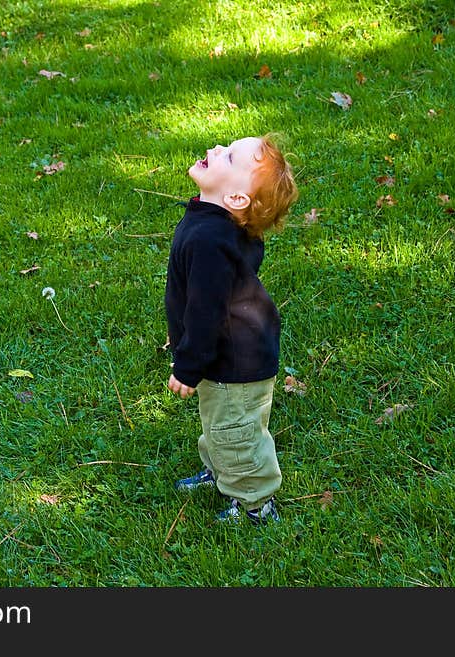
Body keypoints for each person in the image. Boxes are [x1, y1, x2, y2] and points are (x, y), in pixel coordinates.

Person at [164, 134, 299, 525]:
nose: (214, 150)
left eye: (229, 155)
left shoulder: (211, 239)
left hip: (234, 361)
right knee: (218, 422)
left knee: (235, 432)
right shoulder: (214, 222)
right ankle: (221, 472)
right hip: (225, 354)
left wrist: (188, 366)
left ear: (238, 199)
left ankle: (256, 503)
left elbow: (207, 312)